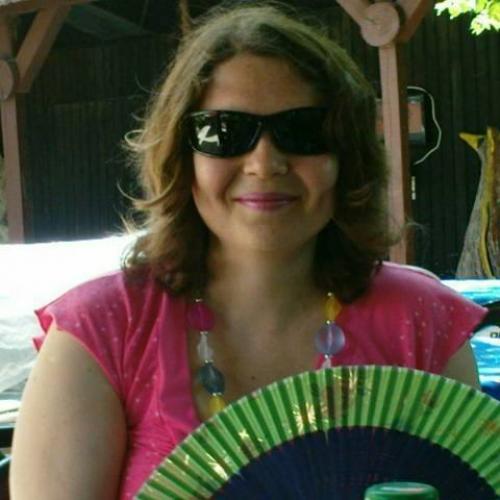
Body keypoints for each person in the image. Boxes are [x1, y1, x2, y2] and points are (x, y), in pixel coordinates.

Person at [10, 3, 486, 499]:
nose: (264, 162)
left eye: (303, 130)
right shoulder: (103, 331)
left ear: (346, 156)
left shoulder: (422, 321)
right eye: (223, 132)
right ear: (182, 158)